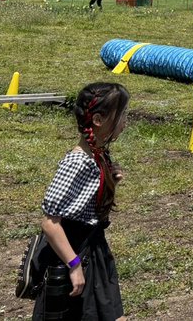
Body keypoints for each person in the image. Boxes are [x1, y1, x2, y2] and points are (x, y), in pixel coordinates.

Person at [35, 82, 130, 321]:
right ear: (98, 120)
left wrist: (110, 182)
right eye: (121, 116)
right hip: (74, 253)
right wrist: (74, 265)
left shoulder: (98, 154)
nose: (124, 122)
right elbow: (50, 222)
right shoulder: (77, 162)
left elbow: (85, 201)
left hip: (95, 251)